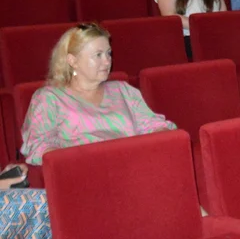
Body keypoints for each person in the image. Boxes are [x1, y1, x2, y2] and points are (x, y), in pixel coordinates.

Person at [21, 23, 175, 165]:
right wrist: (74, 162)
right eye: (98, 55)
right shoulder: (50, 98)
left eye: (109, 53)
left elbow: (154, 125)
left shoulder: (123, 90)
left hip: (133, 165)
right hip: (83, 171)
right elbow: (40, 145)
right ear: (72, 61)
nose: (108, 61)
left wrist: (163, 139)